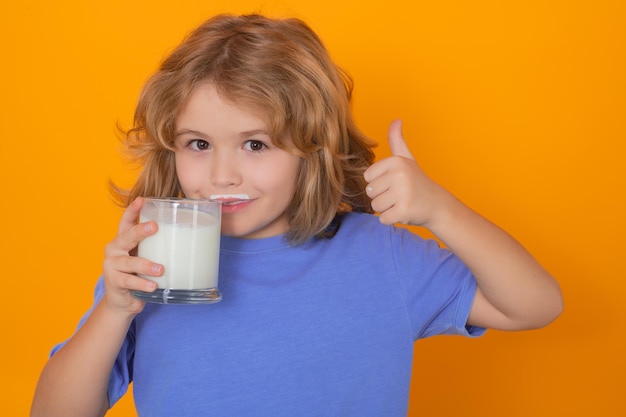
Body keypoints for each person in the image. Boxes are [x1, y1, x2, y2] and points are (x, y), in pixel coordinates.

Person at [31, 13, 563, 417]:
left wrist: (441, 211)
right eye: (198, 143)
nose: (222, 175)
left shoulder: (381, 254)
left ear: (314, 149)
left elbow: (534, 305)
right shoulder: (151, 264)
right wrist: (114, 312)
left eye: (255, 145)